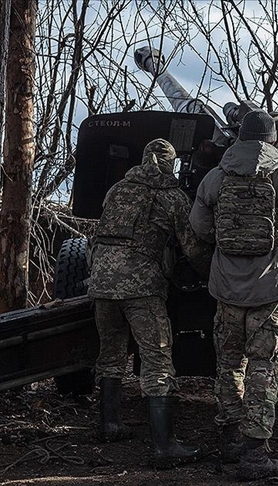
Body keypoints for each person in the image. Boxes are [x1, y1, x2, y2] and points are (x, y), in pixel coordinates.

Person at [189, 110, 278, 480]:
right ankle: (254, 452)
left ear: (240, 137)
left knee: (229, 364)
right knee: (263, 366)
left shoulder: (216, 177)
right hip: (272, 289)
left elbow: (199, 228)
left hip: (226, 288)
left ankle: (229, 440)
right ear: (272, 140)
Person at [87, 138, 212, 468]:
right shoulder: (172, 197)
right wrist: (213, 275)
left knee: (110, 354)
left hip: (101, 283)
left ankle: (110, 425)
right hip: (141, 287)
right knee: (157, 360)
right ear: (171, 163)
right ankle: (164, 447)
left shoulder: (117, 189)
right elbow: (192, 247)